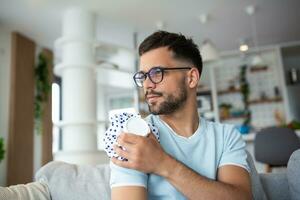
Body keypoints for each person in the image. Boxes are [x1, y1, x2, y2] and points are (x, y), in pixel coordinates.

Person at [110, 31, 252, 200]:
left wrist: (162, 163)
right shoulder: (134, 136)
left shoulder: (226, 137)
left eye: (156, 72)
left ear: (191, 78)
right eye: (143, 76)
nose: (147, 84)